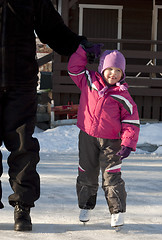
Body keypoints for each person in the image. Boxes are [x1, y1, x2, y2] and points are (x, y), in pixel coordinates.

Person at [0, 0, 90, 232]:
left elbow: (52, 29)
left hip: (20, 83)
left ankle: (23, 206)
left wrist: (78, 45)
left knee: (23, 146)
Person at [68, 43, 140, 228]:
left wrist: (127, 143)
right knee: (86, 172)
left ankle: (117, 212)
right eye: (109, 69)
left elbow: (131, 121)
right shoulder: (89, 81)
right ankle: (86, 206)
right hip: (87, 137)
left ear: (122, 73)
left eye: (118, 70)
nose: (113, 73)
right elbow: (74, 69)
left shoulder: (123, 95)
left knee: (111, 175)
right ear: (102, 68)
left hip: (111, 141)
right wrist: (83, 52)